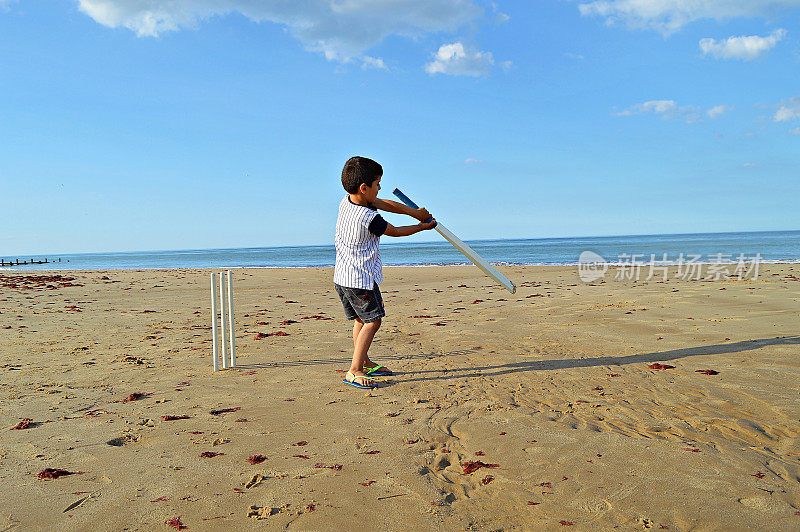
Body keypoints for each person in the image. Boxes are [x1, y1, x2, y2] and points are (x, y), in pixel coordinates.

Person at [334, 156, 436, 389]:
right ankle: (354, 369)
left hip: (343, 276)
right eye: (377, 184)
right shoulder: (368, 218)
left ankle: (365, 362)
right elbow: (396, 232)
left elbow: (388, 204)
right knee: (373, 321)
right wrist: (421, 226)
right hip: (360, 279)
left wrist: (414, 212)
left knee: (361, 320)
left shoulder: (348, 201)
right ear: (364, 188)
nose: (379, 188)